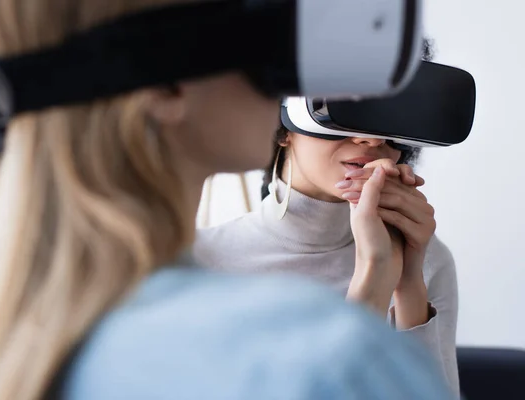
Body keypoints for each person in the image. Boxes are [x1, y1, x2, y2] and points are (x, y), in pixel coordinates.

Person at [0, 1, 455, 399]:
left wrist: (401, 286)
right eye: (262, 30)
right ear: (167, 83)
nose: (291, 67)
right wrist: (364, 304)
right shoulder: (330, 359)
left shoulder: (11, 336)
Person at [194, 45, 460, 397]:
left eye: (389, 111)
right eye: (345, 106)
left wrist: (408, 286)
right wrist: (373, 277)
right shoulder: (201, 263)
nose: (372, 138)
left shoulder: (425, 257)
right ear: (281, 121)